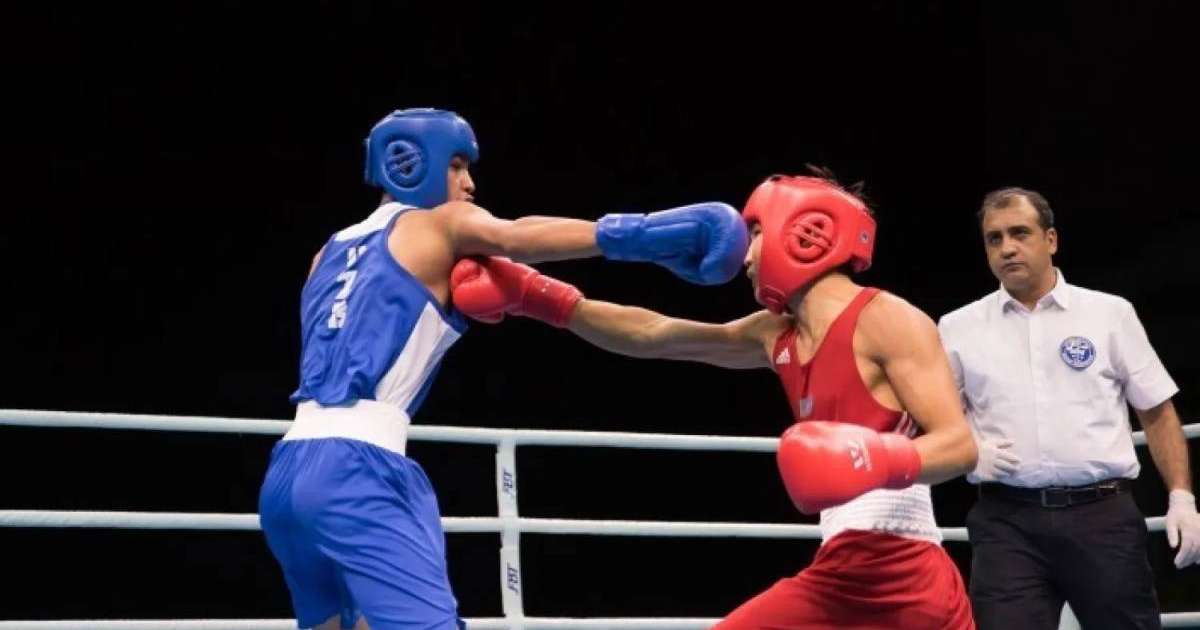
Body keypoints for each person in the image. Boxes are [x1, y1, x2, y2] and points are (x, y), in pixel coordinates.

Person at [256, 107, 750, 630]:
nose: (469, 184)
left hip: (287, 473)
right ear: (413, 165)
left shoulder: (327, 251)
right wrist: (644, 236)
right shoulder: (441, 223)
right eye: (458, 166)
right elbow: (518, 235)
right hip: (359, 471)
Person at [450, 168, 980, 628]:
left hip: (902, 569)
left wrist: (874, 458)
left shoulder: (888, 319)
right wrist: (541, 298)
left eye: (755, 233)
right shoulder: (776, 334)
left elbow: (958, 446)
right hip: (850, 563)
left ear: (805, 234)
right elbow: (656, 334)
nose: (745, 254)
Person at [936, 187, 1200, 630]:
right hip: (1006, 522)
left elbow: (1155, 409)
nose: (1007, 248)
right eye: (994, 238)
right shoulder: (958, 327)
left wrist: (1181, 495)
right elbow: (937, 416)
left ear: (1051, 240)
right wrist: (969, 447)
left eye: (1019, 233)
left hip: (1102, 515)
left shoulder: (1109, 314)